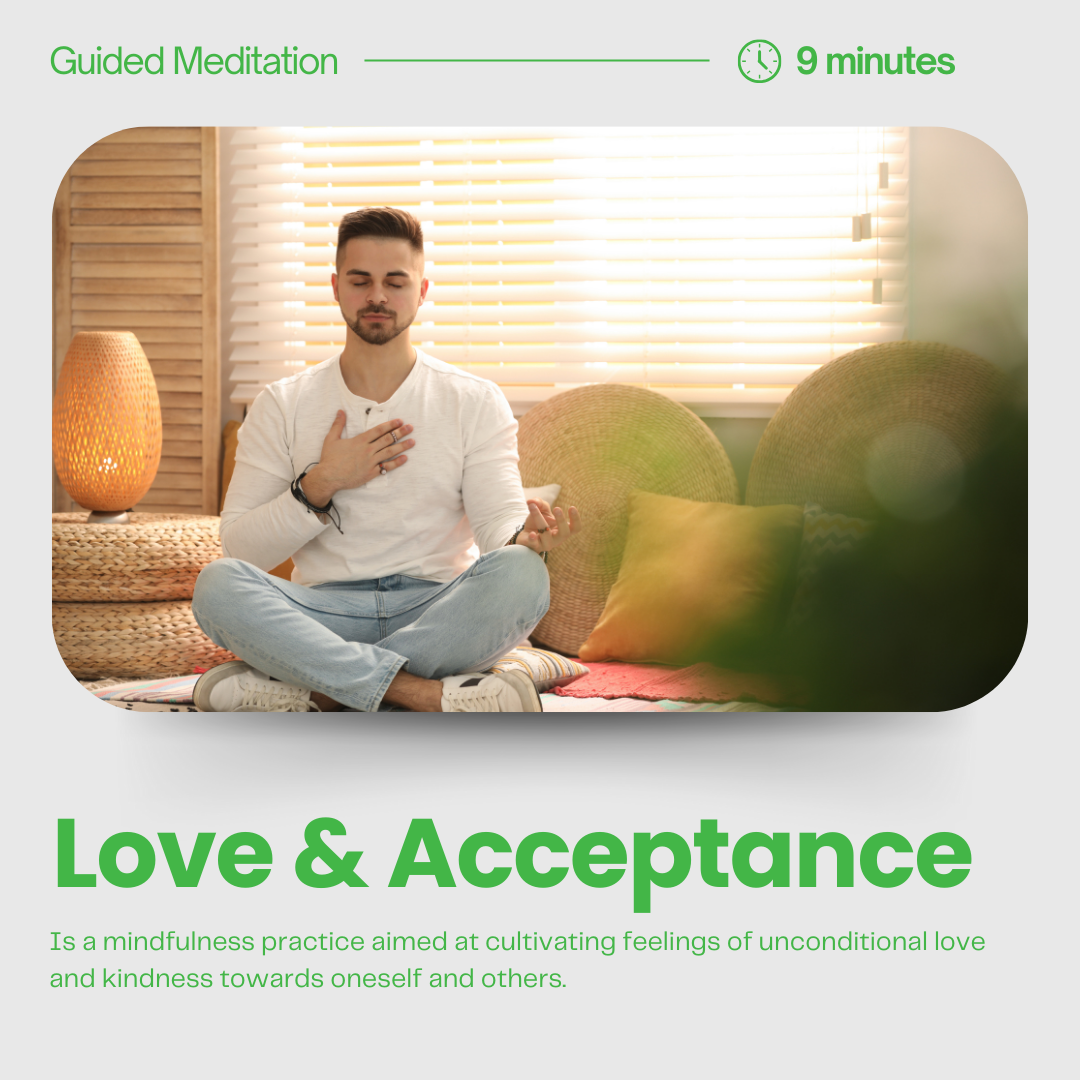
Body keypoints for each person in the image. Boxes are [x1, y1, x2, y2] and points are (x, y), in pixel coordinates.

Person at [191, 207, 582, 713]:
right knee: (216, 585)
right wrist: (322, 482)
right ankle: (419, 694)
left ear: (421, 291)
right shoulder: (281, 403)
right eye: (361, 281)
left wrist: (524, 538)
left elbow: (498, 532)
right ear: (336, 287)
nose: (377, 296)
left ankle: (321, 690)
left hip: (439, 609)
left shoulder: (474, 399)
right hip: (322, 611)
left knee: (522, 573)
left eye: (395, 282)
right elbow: (242, 549)